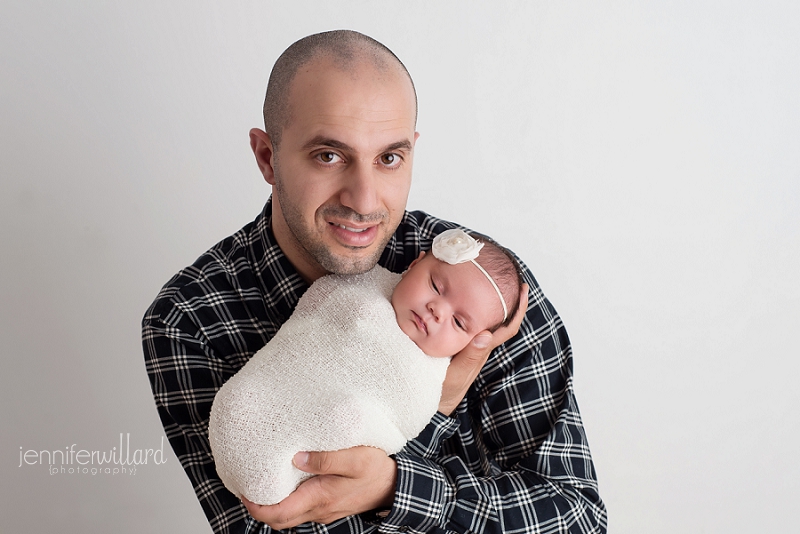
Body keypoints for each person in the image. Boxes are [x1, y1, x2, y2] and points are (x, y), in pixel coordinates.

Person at [142, 29, 607, 534]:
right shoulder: (190, 319)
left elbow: (577, 518)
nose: (364, 201)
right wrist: (440, 410)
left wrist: (395, 485)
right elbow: (264, 521)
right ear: (267, 157)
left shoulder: (481, 285)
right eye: (329, 155)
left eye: (389, 158)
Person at [208, 230, 524, 506]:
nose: (437, 310)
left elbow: (402, 424)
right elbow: (312, 317)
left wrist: (443, 402)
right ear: (414, 265)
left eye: (458, 322)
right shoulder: (364, 282)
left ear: (474, 342)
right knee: (242, 401)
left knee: (346, 418)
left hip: (335, 424)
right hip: (271, 393)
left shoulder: (431, 376)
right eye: (435, 286)